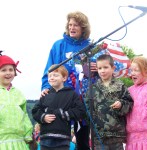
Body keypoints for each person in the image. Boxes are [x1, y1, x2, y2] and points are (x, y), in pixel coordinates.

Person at [41, 11, 91, 150]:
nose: (72, 28)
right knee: (59, 139)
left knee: (83, 141)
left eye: (76, 25)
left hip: (81, 101)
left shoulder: (90, 46)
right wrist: (45, 88)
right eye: (70, 25)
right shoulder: (58, 45)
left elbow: (98, 71)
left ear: (83, 28)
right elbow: (49, 70)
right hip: (61, 99)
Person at [32, 65, 86, 150]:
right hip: (45, 137)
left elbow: (81, 111)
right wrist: (43, 117)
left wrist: (64, 114)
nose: (52, 78)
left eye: (55, 75)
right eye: (50, 76)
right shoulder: (45, 94)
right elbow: (35, 110)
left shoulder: (71, 94)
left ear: (64, 78)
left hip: (63, 137)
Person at [85, 54, 133, 150]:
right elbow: (87, 110)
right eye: (100, 68)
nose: (102, 71)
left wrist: (121, 104)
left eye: (105, 67)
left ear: (113, 68)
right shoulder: (92, 88)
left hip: (116, 135)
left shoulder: (120, 86)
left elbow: (129, 102)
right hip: (99, 135)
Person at [0, 54, 33, 150]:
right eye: (3, 70)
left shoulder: (19, 94)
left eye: (11, 69)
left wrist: (28, 135)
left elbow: (25, 115)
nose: (8, 73)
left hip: (19, 142)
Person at [125, 56, 147, 150]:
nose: (133, 73)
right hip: (131, 139)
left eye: (136, 70)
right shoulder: (128, 91)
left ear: (146, 72)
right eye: (131, 70)